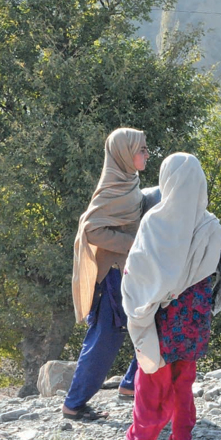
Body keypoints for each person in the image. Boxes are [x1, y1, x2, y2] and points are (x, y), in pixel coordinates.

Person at [120, 153, 221, 440]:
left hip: (161, 316)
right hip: (194, 317)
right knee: (184, 380)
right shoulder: (209, 225)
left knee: (152, 378)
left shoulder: (156, 221)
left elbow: (139, 270)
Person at [64, 128, 149, 421]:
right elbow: (91, 228)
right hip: (112, 277)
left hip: (125, 273)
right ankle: (74, 404)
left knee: (152, 326)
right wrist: (134, 244)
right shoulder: (113, 187)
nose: (146, 154)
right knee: (105, 339)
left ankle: (130, 385)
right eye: (142, 150)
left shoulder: (128, 182)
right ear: (124, 154)